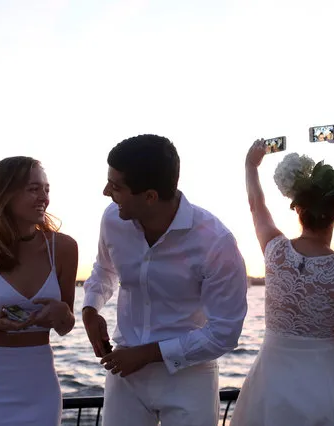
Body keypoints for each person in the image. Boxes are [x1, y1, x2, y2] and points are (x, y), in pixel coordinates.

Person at [81, 134, 248, 426]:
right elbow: (104, 270)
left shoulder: (215, 242)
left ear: (149, 196)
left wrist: (148, 354)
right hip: (125, 375)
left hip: (189, 377)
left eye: (116, 186)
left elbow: (225, 331)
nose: (106, 191)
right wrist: (90, 309)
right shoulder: (112, 219)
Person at [230, 139, 334, 426]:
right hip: (327, 389)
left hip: (271, 386)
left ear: (298, 210)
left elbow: (255, 204)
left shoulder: (275, 251)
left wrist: (251, 166)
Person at [0, 156, 78, 425]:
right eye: (33, 189)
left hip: (41, 385)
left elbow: (66, 326)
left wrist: (61, 313)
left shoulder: (64, 248)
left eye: (46, 189)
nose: (43, 197)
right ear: (6, 194)